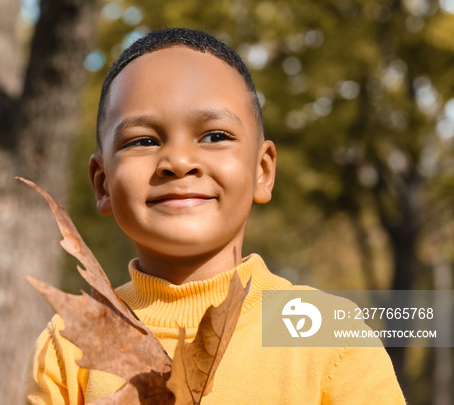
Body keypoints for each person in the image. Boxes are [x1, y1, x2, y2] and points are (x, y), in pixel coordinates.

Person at [24, 28, 405, 403]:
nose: (179, 162)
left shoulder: (327, 335)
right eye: (143, 140)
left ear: (262, 171)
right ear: (103, 183)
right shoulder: (70, 344)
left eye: (215, 136)